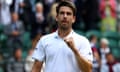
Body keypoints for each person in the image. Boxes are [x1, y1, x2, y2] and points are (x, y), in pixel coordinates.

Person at [32, 1, 93, 72]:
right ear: (57, 17)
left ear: (73, 19)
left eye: (68, 14)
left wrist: (74, 50)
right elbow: (36, 68)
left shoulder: (83, 41)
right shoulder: (44, 40)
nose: (65, 16)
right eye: (62, 13)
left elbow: (88, 69)